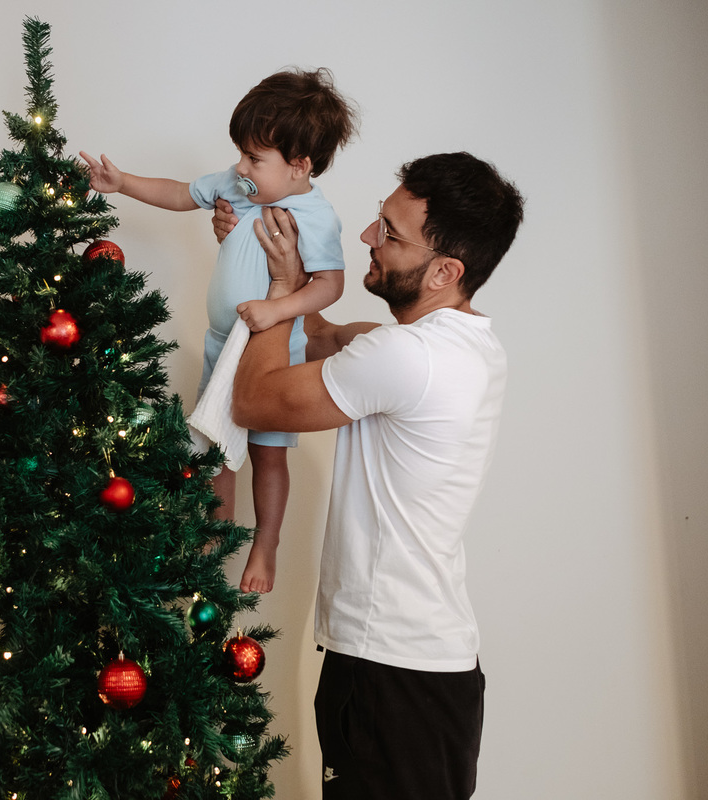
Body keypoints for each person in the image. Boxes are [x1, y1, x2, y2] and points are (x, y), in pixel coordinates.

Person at [221, 151, 525, 799]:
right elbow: (324, 338)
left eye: (389, 232)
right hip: (423, 668)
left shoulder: (407, 356)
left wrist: (278, 296)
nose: (368, 236)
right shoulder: (464, 345)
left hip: (389, 670)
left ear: (445, 271)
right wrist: (286, 274)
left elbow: (252, 401)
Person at [80, 68, 359, 594]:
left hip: (274, 351)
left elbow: (330, 285)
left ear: (299, 166)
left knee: (267, 453)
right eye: (241, 155)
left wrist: (279, 310)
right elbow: (181, 193)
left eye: (254, 158)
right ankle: (215, 536)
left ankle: (266, 543)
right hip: (220, 345)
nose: (241, 167)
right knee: (213, 449)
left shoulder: (314, 216)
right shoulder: (236, 187)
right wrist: (124, 184)